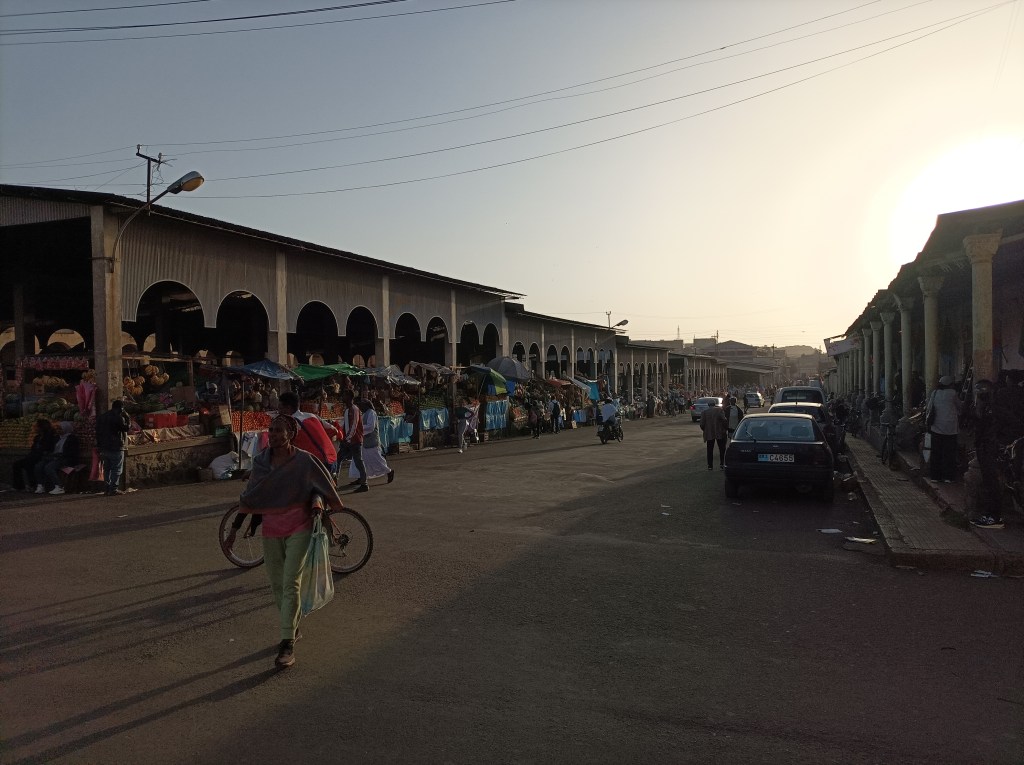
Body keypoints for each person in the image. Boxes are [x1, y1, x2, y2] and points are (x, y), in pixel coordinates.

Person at [237, 414, 344, 669]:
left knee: (290, 583)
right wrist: (235, 529)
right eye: (270, 430)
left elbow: (321, 485)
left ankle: (287, 643)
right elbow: (252, 496)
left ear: (290, 434)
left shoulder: (304, 461)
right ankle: (293, 627)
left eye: (278, 431)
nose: (272, 434)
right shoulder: (262, 463)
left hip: (300, 526)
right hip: (272, 529)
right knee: (277, 585)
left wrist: (319, 503)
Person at [278, 391, 337, 475]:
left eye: (280, 408)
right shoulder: (312, 416)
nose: (278, 411)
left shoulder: (290, 423)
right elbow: (334, 430)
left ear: (288, 408)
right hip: (332, 458)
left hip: (316, 463)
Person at [347, 399, 394, 489]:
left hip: (371, 441)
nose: (360, 408)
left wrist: (359, 429)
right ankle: (360, 477)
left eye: (361, 406)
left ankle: (389, 472)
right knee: (358, 460)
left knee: (377, 460)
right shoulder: (364, 414)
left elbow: (371, 427)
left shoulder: (371, 413)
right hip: (364, 441)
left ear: (366, 405)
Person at [925, 375, 962, 483]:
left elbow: (929, 408)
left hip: (936, 427)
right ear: (950, 384)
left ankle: (935, 476)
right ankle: (948, 477)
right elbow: (960, 407)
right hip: (950, 429)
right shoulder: (953, 394)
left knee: (936, 452)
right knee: (949, 453)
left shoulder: (935, 393)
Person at [96, 399, 131, 496]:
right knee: (116, 469)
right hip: (116, 447)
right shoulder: (118, 417)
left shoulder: (102, 417)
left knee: (107, 469)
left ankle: (107, 488)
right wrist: (128, 418)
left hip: (104, 447)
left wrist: (99, 446)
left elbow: (97, 433)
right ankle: (113, 489)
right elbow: (126, 428)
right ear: (121, 408)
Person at [12, 418, 56, 492]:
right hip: (33, 456)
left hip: (42, 456)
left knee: (29, 465)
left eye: (36, 426)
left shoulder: (49, 437)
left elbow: (47, 448)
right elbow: (33, 449)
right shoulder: (37, 437)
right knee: (16, 464)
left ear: (41, 428)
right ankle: (19, 486)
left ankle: (33, 485)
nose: (35, 428)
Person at [37, 421, 80, 495]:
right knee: (39, 466)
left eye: (60, 429)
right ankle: (41, 485)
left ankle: (59, 486)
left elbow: (72, 452)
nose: (58, 431)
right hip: (55, 456)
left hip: (65, 458)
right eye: (58, 429)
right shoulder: (57, 438)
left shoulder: (72, 438)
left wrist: (59, 455)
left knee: (49, 467)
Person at [339, 389, 367, 490]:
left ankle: (364, 483)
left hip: (355, 440)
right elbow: (344, 424)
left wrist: (348, 438)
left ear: (350, 397)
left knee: (358, 461)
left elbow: (354, 425)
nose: (342, 397)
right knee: (339, 459)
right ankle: (334, 481)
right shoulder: (347, 410)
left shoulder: (355, 409)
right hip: (348, 440)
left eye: (344, 395)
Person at [699, 397, 728, 470]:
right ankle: (722, 464)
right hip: (719, 432)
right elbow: (724, 420)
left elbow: (702, 424)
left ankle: (710, 466)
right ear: (714, 404)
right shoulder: (719, 410)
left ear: (708, 405)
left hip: (709, 433)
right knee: (721, 449)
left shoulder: (704, 412)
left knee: (709, 450)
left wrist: (706, 430)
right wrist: (725, 428)